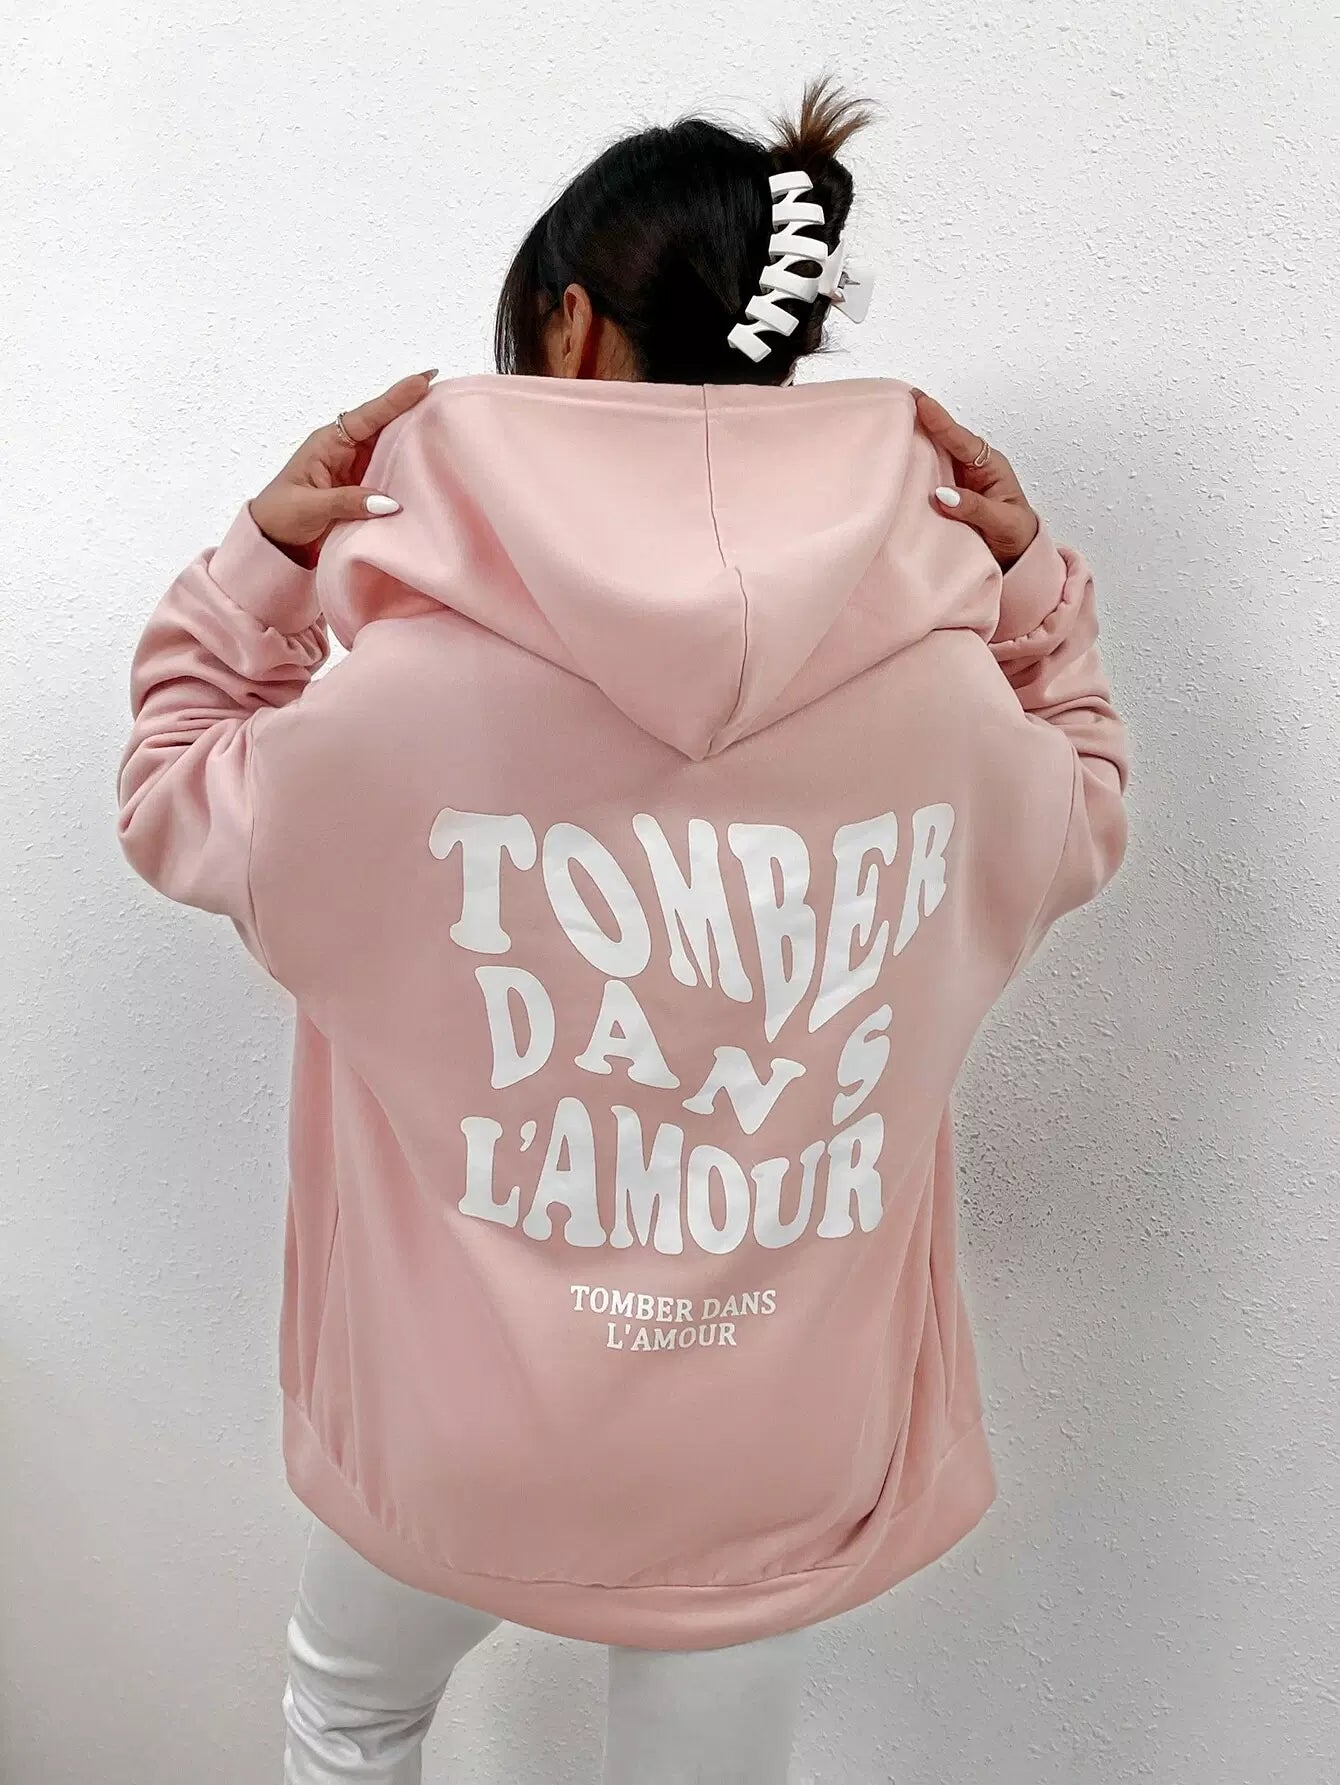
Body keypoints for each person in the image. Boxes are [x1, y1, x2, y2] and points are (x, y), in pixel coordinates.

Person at [117, 77, 1129, 1785]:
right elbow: (1088, 793)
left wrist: (263, 566)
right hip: (774, 1442)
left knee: (348, 1718)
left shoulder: (404, 699)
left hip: (460, 1426)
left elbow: (171, 789)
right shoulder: (951, 704)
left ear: (573, 328)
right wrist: (1033, 594)